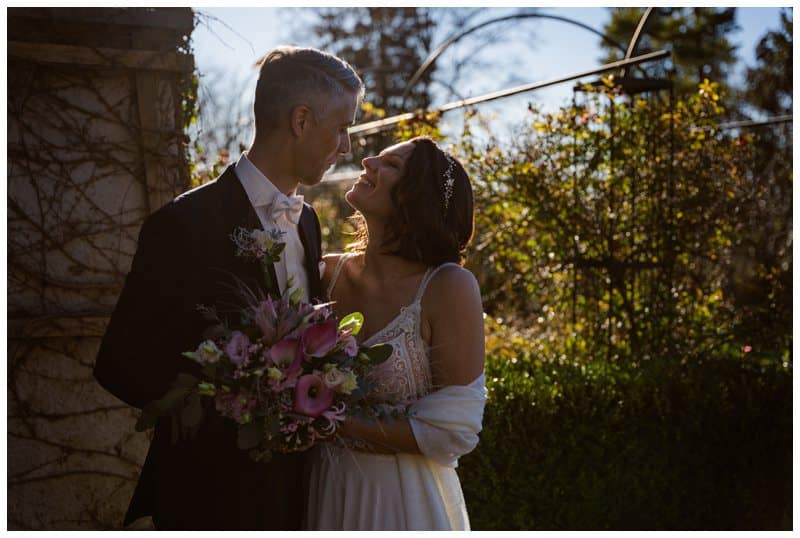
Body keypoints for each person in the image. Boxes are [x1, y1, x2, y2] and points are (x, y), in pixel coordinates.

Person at [93, 46, 364, 530]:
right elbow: (118, 363)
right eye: (341, 127)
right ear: (301, 120)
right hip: (210, 494)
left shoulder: (307, 224)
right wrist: (236, 395)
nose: (345, 146)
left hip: (296, 492)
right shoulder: (183, 225)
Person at [305, 136, 487, 530]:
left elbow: (454, 430)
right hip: (322, 488)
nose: (368, 161)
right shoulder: (322, 273)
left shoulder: (448, 286)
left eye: (391, 164)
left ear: (414, 196)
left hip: (402, 501)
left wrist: (327, 417)